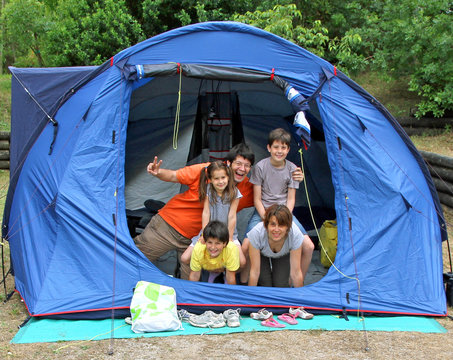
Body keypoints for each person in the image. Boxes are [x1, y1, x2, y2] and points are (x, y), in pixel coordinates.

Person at [134, 142, 304, 280]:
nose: (242, 169)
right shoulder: (206, 171)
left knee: (189, 285)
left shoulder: (247, 188)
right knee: (135, 261)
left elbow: (273, 191)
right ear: (228, 163)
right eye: (238, 163)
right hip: (168, 227)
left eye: (247, 166)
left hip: (199, 239)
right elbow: (173, 176)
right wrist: (157, 172)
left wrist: (294, 177)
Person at [241, 128, 314, 284]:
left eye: (283, 147)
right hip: (263, 212)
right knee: (246, 246)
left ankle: (295, 284)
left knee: (309, 246)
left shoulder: (293, 169)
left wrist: (283, 219)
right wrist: (267, 219)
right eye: (276, 147)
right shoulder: (260, 167)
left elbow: (291, 199)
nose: (279, 151)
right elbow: (257, 199)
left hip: (284, 213)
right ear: (269, 148)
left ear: (288, 149)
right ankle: (243, 281)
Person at [180, 161, 245, 267]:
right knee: (185, 258)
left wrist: (229, 238)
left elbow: (232, 216)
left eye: (223, 178)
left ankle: (221, 270)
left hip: (228, 233)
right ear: (210, 179)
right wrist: (204, 235)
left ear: (228, 177)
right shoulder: (209, 190)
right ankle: (213, 269)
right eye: (216, 179)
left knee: (242, 262)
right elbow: (206, 212)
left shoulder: (234, 192)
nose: (220, 182)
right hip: (209, 232)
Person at [247, 204, 304, 287]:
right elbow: (254, 272)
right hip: (261, 254)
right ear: (266, 226)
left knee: (280, 285)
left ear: (287, 227)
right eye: (273, 224)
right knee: (265, 285)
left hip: (283, 254)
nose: (276, 230)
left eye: (281, 225)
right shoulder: (256, 233)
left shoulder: (295, 234)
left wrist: (300, 297)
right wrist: (250, 298)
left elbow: (296, 273)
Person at [189, 220, 239, 285]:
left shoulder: (231, 249)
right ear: (205, 242)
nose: (213, 247)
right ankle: (213, 274)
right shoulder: (198, 249)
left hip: (225, 266)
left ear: (224, 243)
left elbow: (231, 277)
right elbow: (194, 275)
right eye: (209, 242)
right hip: (208, 267)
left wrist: (231, 293)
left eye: (217, 243)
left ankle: (223, 275)